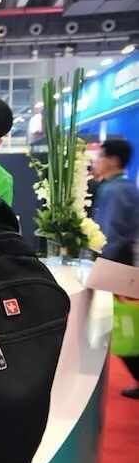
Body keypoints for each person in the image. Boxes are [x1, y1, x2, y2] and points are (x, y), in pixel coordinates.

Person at [92, 139, 139, 398]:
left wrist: (99, 268)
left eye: (100, 155)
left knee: (124, 326)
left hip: (116, 268)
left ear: (113, 160)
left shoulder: (113, 190)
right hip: (125, 265)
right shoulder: (125, 187)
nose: (96, 161)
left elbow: (109, 236)